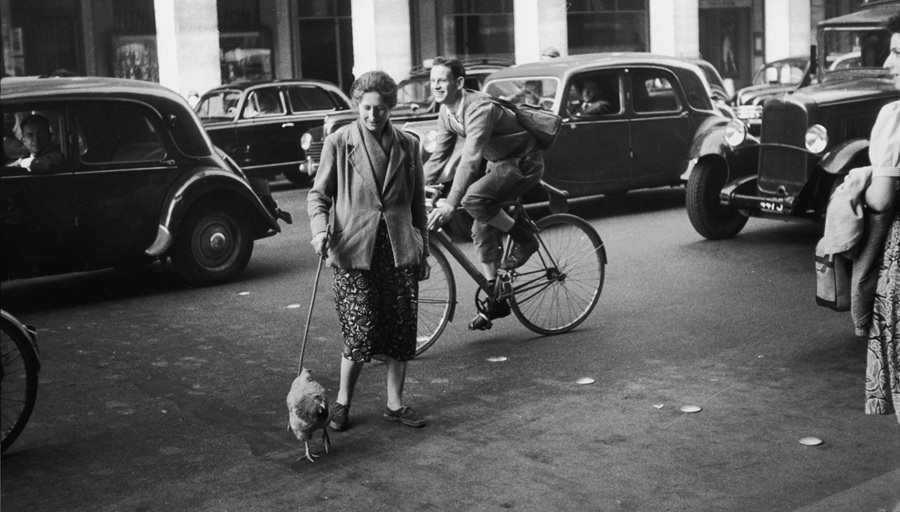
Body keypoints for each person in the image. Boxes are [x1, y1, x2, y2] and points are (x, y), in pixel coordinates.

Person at [307, 70, 429, 431]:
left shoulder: (408, 145)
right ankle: (343, 402)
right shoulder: (339, 142)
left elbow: (418, 204)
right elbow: (318, 195)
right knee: (360, 332)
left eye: (380, 108)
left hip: (398, 247)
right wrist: (318, 232)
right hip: (353, 250)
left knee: (400, 328)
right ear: (357, 106)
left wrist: (422, 250)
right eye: (366, 108)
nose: (373, 115)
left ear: (390, 107)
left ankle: (395, 404)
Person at [424, 56, 544, 329]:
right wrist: (411, 187)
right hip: (499, 165)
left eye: (442, 80)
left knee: (473, 199)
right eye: (433, 81)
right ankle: (497, 298)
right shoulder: (447, 112)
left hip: (522, 163)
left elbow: (469, 159)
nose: (436, 86)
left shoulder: (478, 108)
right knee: (480, 229)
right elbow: (438, 159)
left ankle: (526, 240)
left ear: (459, 82)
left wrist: (451, 204)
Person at [862, 14, 900, 424]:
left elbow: (883, 198)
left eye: (897, 53)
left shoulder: (895, 117)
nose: (889, 63)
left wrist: (867, 182)